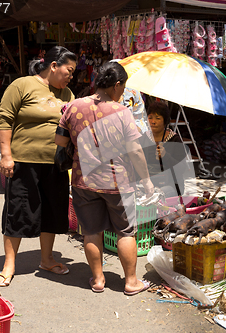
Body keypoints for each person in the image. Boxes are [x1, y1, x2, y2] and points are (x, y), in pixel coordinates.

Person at [55, 61, 154, 294]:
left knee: (90, 230)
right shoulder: (122, 113)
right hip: (118, 183)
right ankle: (131, 282)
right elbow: (135, 151)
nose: (123, 93)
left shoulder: (73, 107)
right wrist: (147, 181)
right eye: (123, 88)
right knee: (126, 231)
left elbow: (60, 143)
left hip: (83, 181)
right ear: (116, 85)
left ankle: (98, 280)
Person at [0, 46, 77, 287]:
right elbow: (4, 117)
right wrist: (6, 155)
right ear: (53, 66)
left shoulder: (68, 94)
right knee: (18, 210)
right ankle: (9, 264)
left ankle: (47, 259)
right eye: (68, 71)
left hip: (56, 163)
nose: (71, 77)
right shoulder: (22, 85)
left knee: (52, 210)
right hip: (23, 162)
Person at [139, 101, 188, 198]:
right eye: (150, 117)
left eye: (157, 118)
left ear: (165, 121)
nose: (153, 121)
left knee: (157, 195)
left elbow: (182, 168)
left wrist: (166, 156)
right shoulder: (144, 138)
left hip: (170, 185)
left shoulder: (175, 140)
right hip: (148, 183)